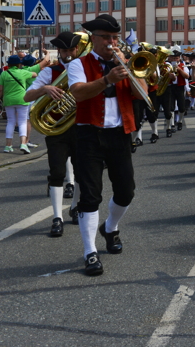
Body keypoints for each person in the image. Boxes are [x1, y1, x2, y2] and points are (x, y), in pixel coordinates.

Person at [68, 14, 148, 276]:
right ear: (93, 39)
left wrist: (130, 71)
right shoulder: (79, 64)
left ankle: (110, 227)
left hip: (119, 133)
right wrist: (107, 80)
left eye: (114, 37)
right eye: (106, 38)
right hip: (88, 133)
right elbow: (79, 92)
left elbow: (143, 95)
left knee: (126, 191)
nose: (112, 42)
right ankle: (89, 251)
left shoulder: (124, 63)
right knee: (90, 195)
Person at [24, 32, 83, 236]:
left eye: (71, 50)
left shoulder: (86, 69)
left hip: (82, 128)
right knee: (57, 173)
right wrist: (45, 89)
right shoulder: (50, 72)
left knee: (82, 173)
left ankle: (75, 207)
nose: (67, 54)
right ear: (59, 51)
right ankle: (57, 217)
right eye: (64, 50)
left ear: (77, 50)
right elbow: (27, 95)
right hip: (57, 130)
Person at [0, 55, 38, 154]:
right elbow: (35, 74)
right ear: (19, 64)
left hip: (8, 100)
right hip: (22, 100)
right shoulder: (23, 72)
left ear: (9, 64)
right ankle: (23, 144)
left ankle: (8, 146)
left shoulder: (4, 74)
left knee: (10, 122)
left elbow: (0, 89)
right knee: (22, 122)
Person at [166, 51, 189, 132]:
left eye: (176, 58)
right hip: (170, 87)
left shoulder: (183, 65)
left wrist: (179, 70)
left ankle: (180, 121)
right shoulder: (166, 66)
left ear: (179, 58)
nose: (174, 59)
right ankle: (172, 124)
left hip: (180, 87)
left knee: (182, 107)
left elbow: (187, 76)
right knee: (171, 106)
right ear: (169, 58)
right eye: (173, 58)